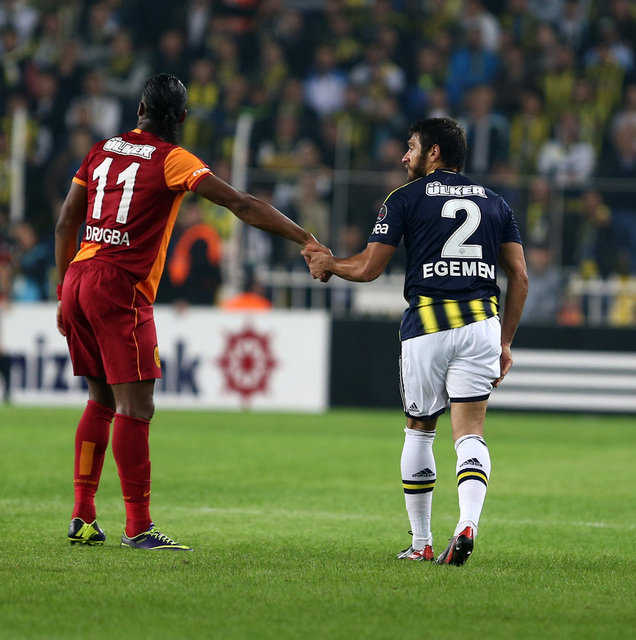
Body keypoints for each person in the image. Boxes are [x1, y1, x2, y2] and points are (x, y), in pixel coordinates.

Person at [55, 73, 328, 551]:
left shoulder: (101, 149)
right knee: (136, 408)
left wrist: (63, 293)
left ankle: (83, 515)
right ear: (182, 116)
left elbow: (65, 223)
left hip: (78, 276)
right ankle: (138, 527)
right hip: (119, 285)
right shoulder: (173, 159)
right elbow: (241, 204)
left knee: (101, 401)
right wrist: (305, 237)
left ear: (140, 108)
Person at [303, 118, 527, 566]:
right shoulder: (495, 202)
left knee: (420, 429)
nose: (405, 156)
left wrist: (330, 263)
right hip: (481, 324)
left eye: (411, 147)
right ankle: (467, 523)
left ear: (434, 152)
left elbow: (368, 269)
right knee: (470, 432)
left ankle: (422, 542)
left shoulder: (404, 198)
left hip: (427, 325)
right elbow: (519, 276)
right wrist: (505, 342)